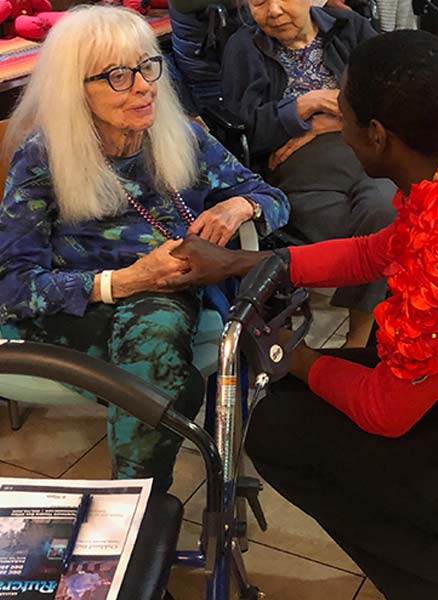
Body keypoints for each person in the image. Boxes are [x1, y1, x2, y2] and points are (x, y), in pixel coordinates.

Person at [164, 30, 438, 600]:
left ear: (375, 134)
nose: (334, 124)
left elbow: (385, 412)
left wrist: (296, 359)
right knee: (310, 397)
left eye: (341, 113)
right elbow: (374, 251)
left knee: (277, 430)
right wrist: (242, 261)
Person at [0, 5, 288, 493]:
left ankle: (133, 508)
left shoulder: (182, 136)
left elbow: (274, 200)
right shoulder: (42, 157)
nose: (143, 85)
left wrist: (237, 206)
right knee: (163, 365)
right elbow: (12, 286)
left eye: (148, 65)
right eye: (117, 75)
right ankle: (144, 506)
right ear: (76, 89)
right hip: (73, 307)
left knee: (157, 334)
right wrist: (125, 281)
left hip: (169, 296)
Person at [221, 0, 397, 347]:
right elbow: (245, 130)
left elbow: (390, 94)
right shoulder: (244, 46)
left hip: (367, 153)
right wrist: (306, 104)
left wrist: (326, 124)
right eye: (258, 2)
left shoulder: (351, 28)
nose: (273, 11)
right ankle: (358, 337)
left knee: (386, 210)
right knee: (359, 228)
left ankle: (358, 336)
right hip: (300, 169)